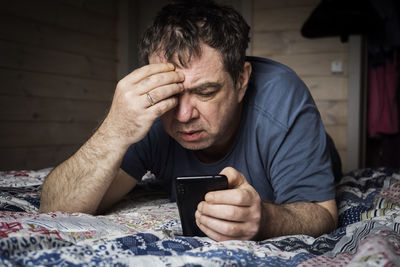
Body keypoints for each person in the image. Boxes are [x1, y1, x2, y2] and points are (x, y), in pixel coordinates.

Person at [39, 0, 340, 241]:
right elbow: (55, 208)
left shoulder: (282, 99)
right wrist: (114, 129)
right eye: (170, 94)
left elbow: (322, 213)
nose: (183, 116)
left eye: (205, 92)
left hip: (308, 150)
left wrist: (267, 220)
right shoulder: (153, 112)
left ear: (241, 80)